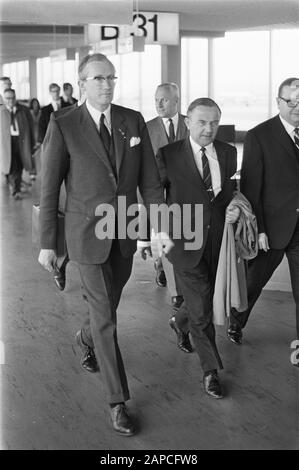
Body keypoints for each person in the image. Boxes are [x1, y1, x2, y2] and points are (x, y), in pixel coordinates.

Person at [38, 53, 172, 436]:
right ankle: (117, 401)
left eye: (111, 78)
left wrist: (159, 227)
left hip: (126, 231)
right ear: (81, 83)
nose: (106, 85)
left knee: (108, 305)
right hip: (86, 234)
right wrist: (48, 242)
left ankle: (84, 337)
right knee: (107, 317)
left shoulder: (132, 121)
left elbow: (149, 181)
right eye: (98, 78)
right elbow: (49, 189)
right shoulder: (63, 124)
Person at [155, 98, 238, 398]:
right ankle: (210, 371)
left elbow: (229, 193)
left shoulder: (228, 153)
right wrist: (158, 233)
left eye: (214, 122)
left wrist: (234, 208)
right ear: (187, 121)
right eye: (202, 122)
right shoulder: (168, 154)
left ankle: (179, 321)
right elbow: (156, 196)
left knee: (204, 297)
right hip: (184, 241)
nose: (209, 128)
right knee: (202, 309)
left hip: (219, 241)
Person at [228, 77, 299, 356]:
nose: (296, 107)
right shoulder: (260, 135)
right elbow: (251, 187)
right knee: (252, 282)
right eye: (290, 101)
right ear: (278, 102)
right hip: (270, 228)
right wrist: (258, 229)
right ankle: (236, 322)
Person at [146, 83, 188, 312]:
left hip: (184, 193)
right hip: (158, 193)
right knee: (165, 235)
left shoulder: (189, 123)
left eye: (163, 99)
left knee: (178, 239)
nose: (159, 104)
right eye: (156, 100)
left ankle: (162, 266)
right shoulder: (147, 128)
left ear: (176, 101)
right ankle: (175, 291)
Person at [0, 88, 34, 199]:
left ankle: (16, 186)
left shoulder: (24, 110)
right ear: (3, 99)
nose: (10, 100)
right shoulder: (1, 111)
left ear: (15, 97)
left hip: (21, 142)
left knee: (20, 165)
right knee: (11, 166)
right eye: (7, 98)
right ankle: (15, 189)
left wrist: (32, 143)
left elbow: (31, 127)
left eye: (12, 97)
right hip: (7, 144)